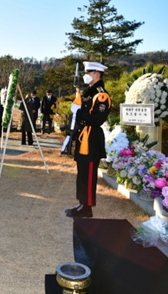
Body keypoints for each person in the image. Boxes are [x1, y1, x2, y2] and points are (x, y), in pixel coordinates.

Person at [65, 62, 111, 218]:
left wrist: (80, 114)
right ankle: (82, 204)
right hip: (83, 135)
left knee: (89, 173)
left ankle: (87, 207)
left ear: (97, 74)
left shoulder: (101, 95)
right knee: (82, 173)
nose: (86, 75)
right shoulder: (89, 93)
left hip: (91, 138)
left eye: (89, 72)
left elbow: (97, 119)